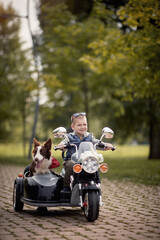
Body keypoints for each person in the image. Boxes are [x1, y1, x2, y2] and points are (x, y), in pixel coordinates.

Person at [57, 112, 113, 191]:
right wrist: (61, 146)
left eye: (85, 124)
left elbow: (96, 142)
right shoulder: (69, 137)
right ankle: (66, 186)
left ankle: (96, 182)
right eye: (79, 125)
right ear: (73, 127)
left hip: (87, 160)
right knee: (70, 165)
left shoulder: (89, 137)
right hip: (73, 160)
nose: (82, 127)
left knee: (95, 164)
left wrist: (105, 145)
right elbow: (63, 143)